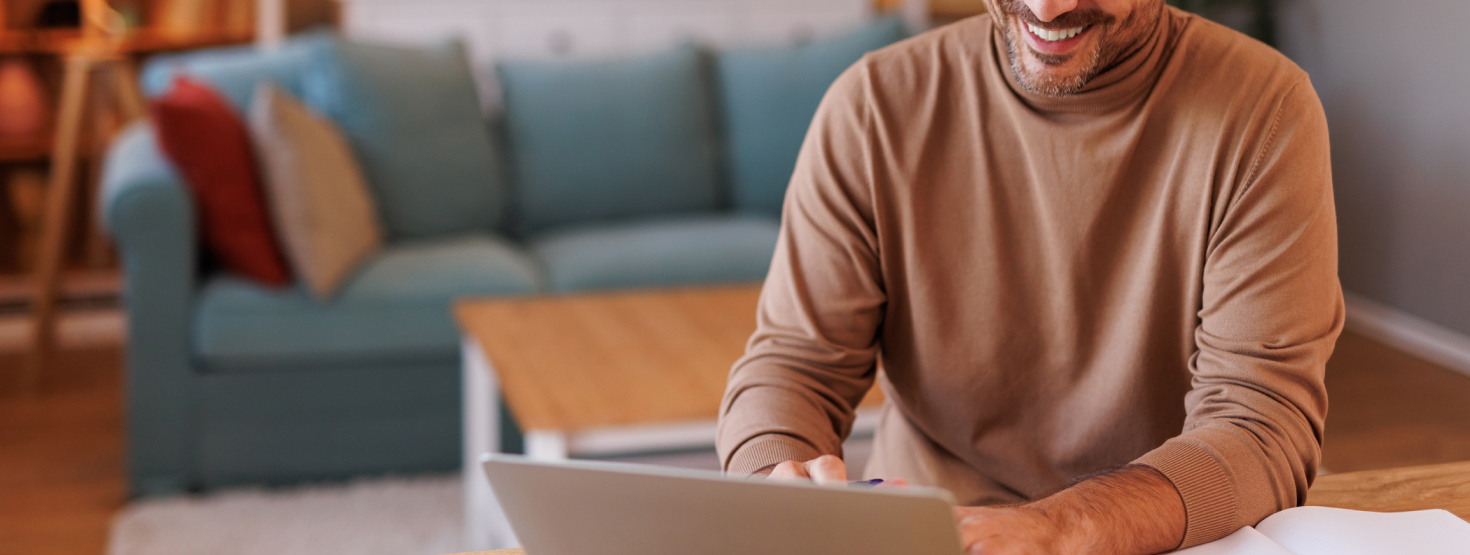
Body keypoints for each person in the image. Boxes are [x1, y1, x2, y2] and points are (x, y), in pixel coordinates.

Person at [714, 0, 1344, 553]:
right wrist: (775, 487)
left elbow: (1258, 427)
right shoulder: (872, 108)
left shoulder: (1264, 113)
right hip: (923, 532)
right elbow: (795, 363)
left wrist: (1056, 528)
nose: (1047, 7)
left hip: (1154, 538)